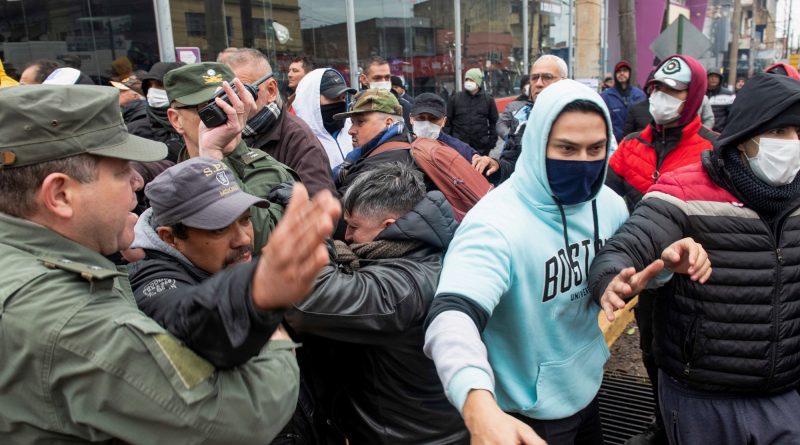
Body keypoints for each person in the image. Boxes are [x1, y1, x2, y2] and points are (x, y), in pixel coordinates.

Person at [0, 84, 341, 443]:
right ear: (60, 194)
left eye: (244, 220)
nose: (137, 182)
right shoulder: (70, 321)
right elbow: (240, 416)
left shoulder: (31, 267)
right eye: (121, 172)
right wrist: (268, 316)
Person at [590, 72, 800, 445]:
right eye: (780, 131)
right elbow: (629, 245)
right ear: (746, 134)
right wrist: (613, 278)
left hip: (785, 394)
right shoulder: (684, 190)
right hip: (703, 396)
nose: (793, 144)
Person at [424, 80, 630, 445]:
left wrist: (666, 264)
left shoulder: (609, 204)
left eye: (595, 149)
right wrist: (476, 404)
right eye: (567, 148)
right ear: (537, 144)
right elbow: (452, 315)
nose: (584, 162)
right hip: (525, 415)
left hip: (587, 386)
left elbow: (632, 268)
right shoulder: (494, 224)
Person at [128, 157, 318, 443]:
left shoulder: (224, 262)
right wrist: (256, 297)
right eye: (219, 228)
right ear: (170, 238)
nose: (243, 239)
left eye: (245, 219)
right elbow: (191, 318)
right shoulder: (151, 281)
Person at [286, 163, 468, 445]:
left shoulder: (407, 286)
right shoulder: (425, 249)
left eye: (354, 227)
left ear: (389, 226)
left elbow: (310, 300)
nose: (347, 236)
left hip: (410, 437)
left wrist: (309, 228)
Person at [605, 54, 715, 445]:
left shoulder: (714, 150)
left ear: (694, 96)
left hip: (696, 277)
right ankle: (661, 424)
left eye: (674, 90)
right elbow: (604, 196)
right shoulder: (631, 146)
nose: (661, 97)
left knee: (691, 357)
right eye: (656, 88)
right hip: (646, 274)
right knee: (651, 349)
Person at [164, 62, 298, 251]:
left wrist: (213, 161)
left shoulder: (268, 172)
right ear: (176, 120)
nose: (225, 115)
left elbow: (253, 242)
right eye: (209, 110)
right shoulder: (171, 179)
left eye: (229, 103)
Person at [223, 48, 335, 197]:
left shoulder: (298, 139)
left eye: (241, 91)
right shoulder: (221, 134)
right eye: (225, 93)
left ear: (271, 90)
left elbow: (322, 204)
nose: (232, 100)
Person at [472, 55, 567, 185]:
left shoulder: (580, 117)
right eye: (534, 78)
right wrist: (496, 166)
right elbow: (512, 164)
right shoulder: (522, 120)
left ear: (564, 81)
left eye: (547, 77)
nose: (539, 83)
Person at [331, 88, 416, 196]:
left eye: (360, 122)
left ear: (388, 123)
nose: (350, 131)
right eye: (352, 122)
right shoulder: (387, 151)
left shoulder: (383, 165)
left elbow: (343, 204)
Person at [294, 68, 357, 171]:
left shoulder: (353, 129)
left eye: (343, 98)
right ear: (311, 99)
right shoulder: (299, 141)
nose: (341, 103)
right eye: (334, 98)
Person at [444, 68, 498, 156]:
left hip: (481, 146)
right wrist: (449, 141)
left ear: (478, 82)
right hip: (459, 146)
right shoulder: (455, 98)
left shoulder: (488, 99)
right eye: (466, 80)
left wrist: (491, 142)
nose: (468, 82)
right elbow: (447, 122)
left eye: (471, 80)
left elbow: (494, 122)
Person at [410, 92, 478, 161]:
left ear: (444, 121)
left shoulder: (460, 149)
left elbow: (476, 161)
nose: (426, 124)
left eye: (433, 119)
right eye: (421, 118)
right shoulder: (405, 145)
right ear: (411, 119)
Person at [140, 61, 186, 161]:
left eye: (160, 85)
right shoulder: (137, 131)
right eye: (149, 85)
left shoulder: (199, 123)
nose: (152, 90)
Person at [601, 60, 647, 142]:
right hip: (615, 143)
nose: (621, 73)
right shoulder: (606, 96)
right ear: (615, 75)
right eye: (618, 71)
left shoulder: (640, 95)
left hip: (636, 142)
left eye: (625, 70)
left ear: (629, 73)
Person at [359, 56, 412, 123]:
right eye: (377, 78)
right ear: (364, 79)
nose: (383, 82)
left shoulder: (406, 107)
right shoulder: (356, 107)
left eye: (387, 77)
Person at [706, 68, 735, 132]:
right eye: (711, 76)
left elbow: (733, 114)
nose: (713, 79)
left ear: (720, 79)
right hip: (702, 131)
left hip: (720, 132)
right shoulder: (700, 93)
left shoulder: (728, 94)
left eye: (716, 77)